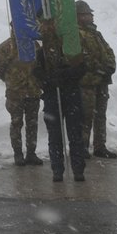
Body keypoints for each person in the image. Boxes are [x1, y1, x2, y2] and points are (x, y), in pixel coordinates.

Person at [38, 17, 89, 182]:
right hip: (52, 97)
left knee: (75, 134)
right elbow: (36, 73)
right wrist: (49, 80)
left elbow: (82, 67)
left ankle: (78, 169)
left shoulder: (72, 49)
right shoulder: (42, 52)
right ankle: (57, 170)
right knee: (55, 136)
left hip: (72, 95)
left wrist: (67, 74)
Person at [0, 27, 43, 166]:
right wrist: (11, 79)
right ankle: (18, 154)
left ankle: (31, 153)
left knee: (32, 123)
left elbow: (40, 65)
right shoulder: (5, 47)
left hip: (33, 91)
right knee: (16, 123)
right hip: (15, 92)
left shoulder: (34, 45)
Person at [74, 1, 117, 158]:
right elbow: (83, 56)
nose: (91, 17)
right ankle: (83, 146)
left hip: (101, 81)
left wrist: (110, 67)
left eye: (90, 14)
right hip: (87, 82)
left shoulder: (96, 33)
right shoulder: (76, 33)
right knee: (86, 115)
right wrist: (97, 68)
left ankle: (100, 146)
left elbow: (108, 51)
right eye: (86, 14)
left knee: (101, 115)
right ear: (78, 16)